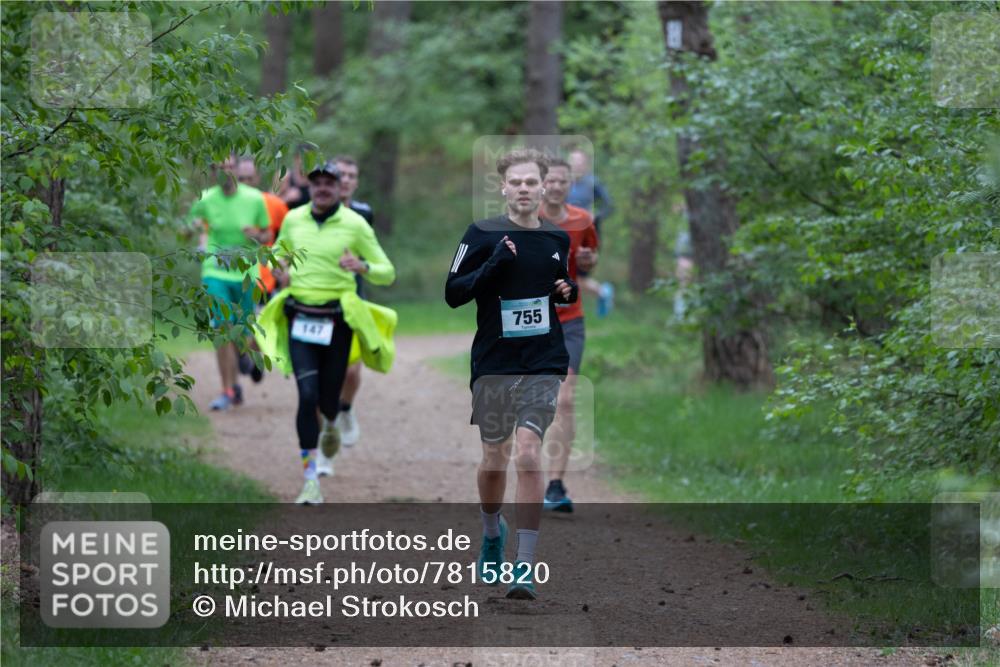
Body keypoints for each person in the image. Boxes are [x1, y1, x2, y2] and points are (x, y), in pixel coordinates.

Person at [445, 149, 577, 600]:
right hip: (494, 364)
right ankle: (490, 532)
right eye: (515, 182)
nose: (524, 188)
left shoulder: (557, 238)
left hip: (542, 360)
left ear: (544, 187)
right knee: (493, 460)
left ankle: (525, 566)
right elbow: (453, 293)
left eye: (531, 182)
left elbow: (560, 284)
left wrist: (566, 290)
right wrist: (493, 264)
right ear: (503, 187)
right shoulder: (481, 233)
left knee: (527, 453)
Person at [266, 160, 395, 504]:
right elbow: (275, 257)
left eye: (329, 183)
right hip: (300, 317)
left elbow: (387, 272)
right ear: (309, 186)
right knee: (307, 396)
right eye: (316, 182)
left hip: (338, 322)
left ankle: (334, 422)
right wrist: (278, 269)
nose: (322, 188)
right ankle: (310, 478)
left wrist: (362, 266)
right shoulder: (294, 220)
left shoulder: (355, 224)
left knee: (328, 400)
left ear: (340, 188)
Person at [537, 158, 599, 514]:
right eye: (552, 181)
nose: (557, 187)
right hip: (530, 321)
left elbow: (589, 262)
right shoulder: (526, 220)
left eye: (563, 181)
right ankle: (526, 463)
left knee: (565, 400)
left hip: (570, 320)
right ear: (542, 184)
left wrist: (589, 261)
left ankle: (556, 484)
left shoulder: (582, 220)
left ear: (570, 183)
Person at [186, 155, 271, 411]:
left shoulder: (255, 199)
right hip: (215, 271)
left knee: (243, 331)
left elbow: (267, 234)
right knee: (223, 328)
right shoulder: (205, 199)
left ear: (236, 169)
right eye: (218, 168)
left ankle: (252, 355)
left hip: (245, 273)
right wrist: (190, 229)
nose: (225, 172)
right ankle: (228, 390)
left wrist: (256, 234)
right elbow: (188, 228)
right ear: (213, 173)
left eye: (229, 167)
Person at [234, 157, 289, 383]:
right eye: (240, 178)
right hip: (230, 275)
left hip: (263, 278)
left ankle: (254, 357)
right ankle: (245, 355)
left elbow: (288, 235)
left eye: (249, 177)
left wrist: (282, 263)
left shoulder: (273, 204)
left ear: (257, 178)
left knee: (256, 324)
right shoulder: (223, 204)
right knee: (234, 326)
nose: (246, 182)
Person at [331, 155, 373, 447]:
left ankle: (345, 408)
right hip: (317, 299)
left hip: (353, 297)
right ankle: (325, 435)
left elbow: (371, 254)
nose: (345, 180)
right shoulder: (310, 212)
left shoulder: (364, 213)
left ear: (356, 182)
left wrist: (361, 263)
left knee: (352, 369)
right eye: (340, 174)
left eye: (351, 175)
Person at [567, 149, 615, 317]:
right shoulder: (563, 184)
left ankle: (602, 293)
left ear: (586, 165)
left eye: (579, 162)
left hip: (587, 236)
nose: (576, 165)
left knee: (578, 276)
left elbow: (609, 206)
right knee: (566, 273)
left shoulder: (593, 183)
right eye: (573, 161)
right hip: (566, 236)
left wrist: (595, 216)